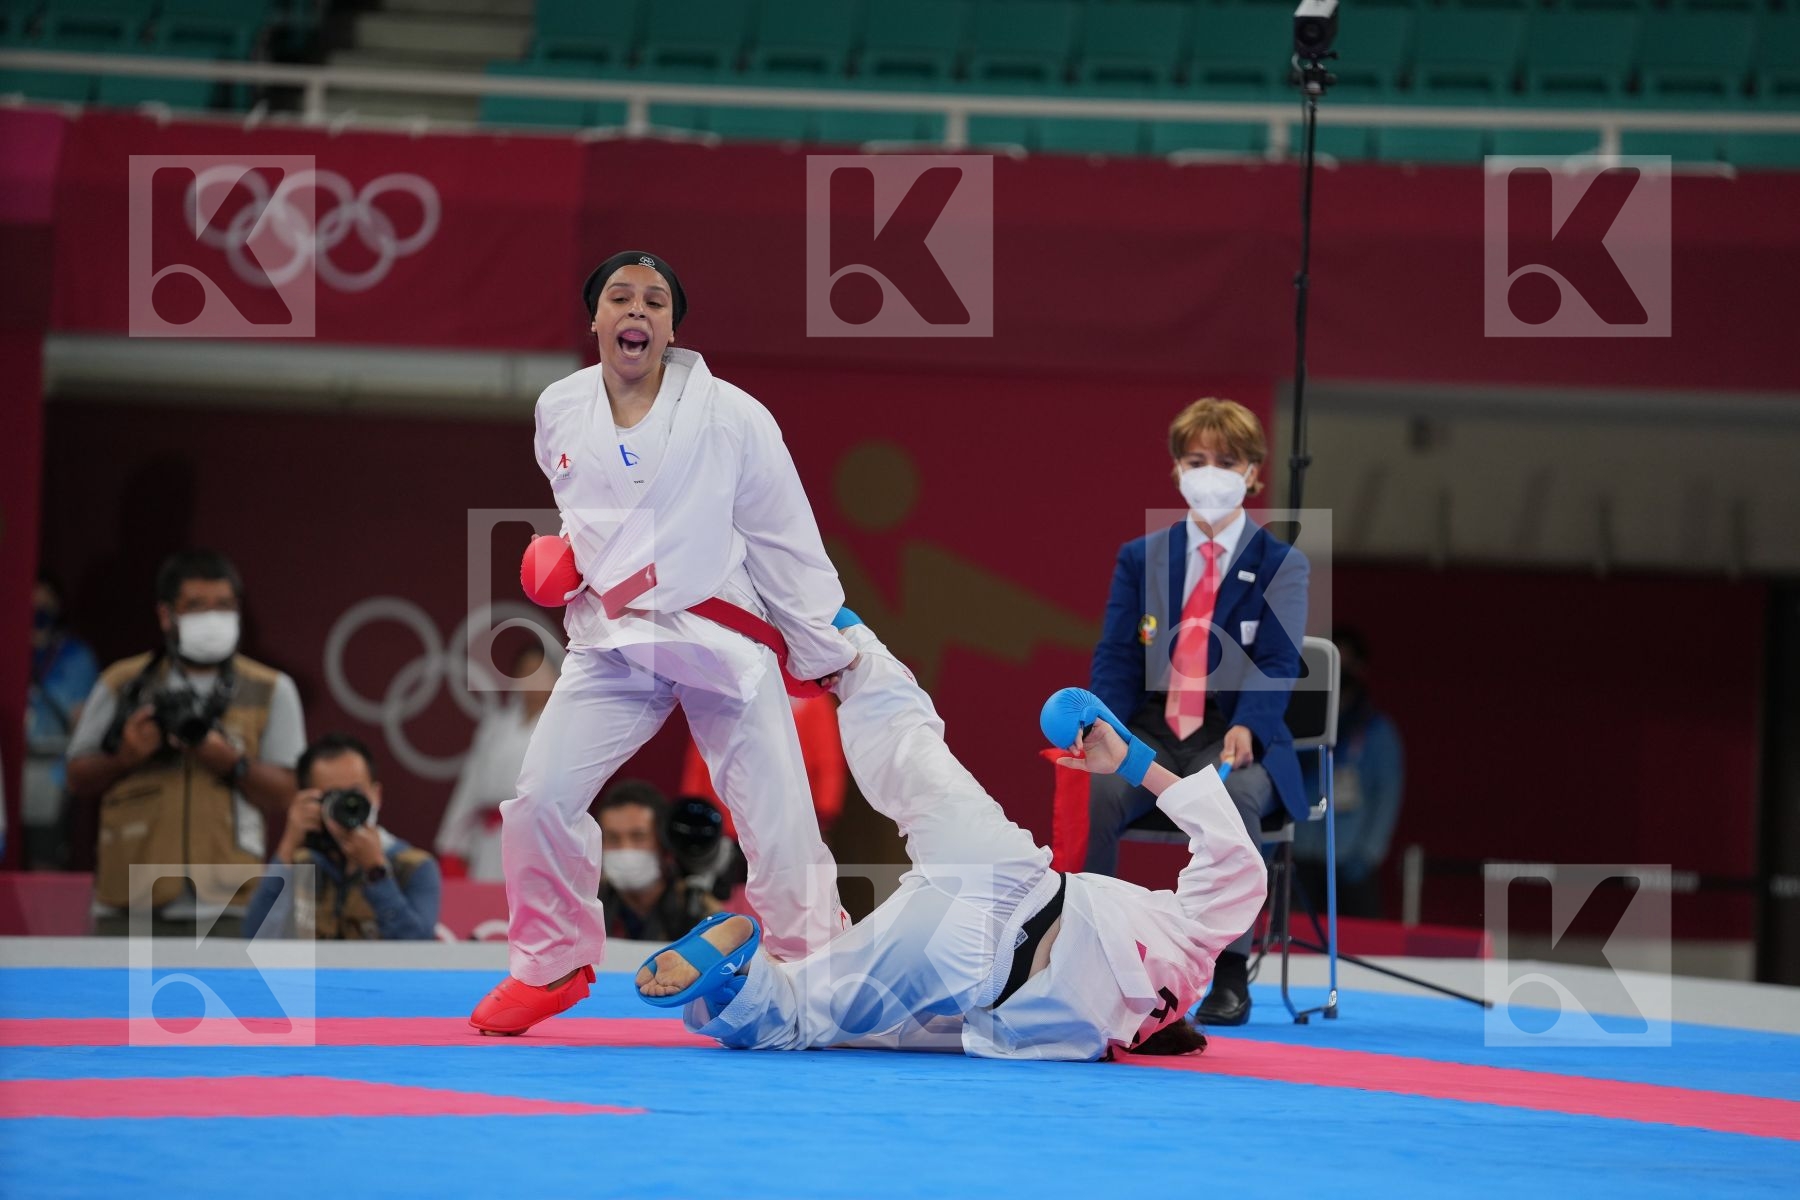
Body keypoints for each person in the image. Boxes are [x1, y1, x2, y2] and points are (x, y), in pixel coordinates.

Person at [469, 251, 854, 1035]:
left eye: (653, 300)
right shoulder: (559, 408)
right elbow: (582, 508)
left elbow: (784, 535)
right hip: (613, 642)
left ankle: (819, 971)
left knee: (779, 824)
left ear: (672, 326)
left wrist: (823, 642)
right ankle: (553, 962)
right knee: (539, 798)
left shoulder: (736, 415)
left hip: (717, 638)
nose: (635, 310)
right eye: (619, 297)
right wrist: (568, 558)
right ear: (596, 319)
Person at [634, 614, 1267, 1061]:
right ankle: (739, 983)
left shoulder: (1192, 947)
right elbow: (955, 1031)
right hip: (974, 965)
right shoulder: (1095, 1037)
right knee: (809, 1011)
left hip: (1012, 869)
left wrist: (1131, 760)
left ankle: (844, 637)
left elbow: (1232, 853)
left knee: (909, 747)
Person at [1082, 398, 1310, 1027]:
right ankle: (1087, 953)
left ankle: (1230, 975)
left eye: (1227, 461)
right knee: (1097, 794)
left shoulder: (1280, 564)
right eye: (1196, 460)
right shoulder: (1141, 557)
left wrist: (1250, 727)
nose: (1211, 472)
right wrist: (1107, 727)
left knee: (1233, 800)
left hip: (1233, 733)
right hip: (1152, 731)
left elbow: (1277, 660)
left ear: (1254, 473)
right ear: (1177, 470)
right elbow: (1117, 655)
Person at [64, 550, 305, 937]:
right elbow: (76, 776)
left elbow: (287, 793)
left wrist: (232, 763)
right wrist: (124, 758)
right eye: (196, 606)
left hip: (228, 898)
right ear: (166, 615)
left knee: (226, 999)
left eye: (224, 606)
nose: (212, 618)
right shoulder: (123, 681)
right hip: (130, 897)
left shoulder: (271, 688)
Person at [243, 733, 441, 940]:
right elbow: (255, 936)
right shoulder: (302, 862)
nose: (349, 805)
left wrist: (376, 873)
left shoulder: (413, 866)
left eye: (356, 794)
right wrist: (288, 844)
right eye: (334, 797)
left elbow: (419, 952)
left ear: (376, 795)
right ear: (309, 800)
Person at [1294, 627, 1404, 919]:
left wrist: (1368, 854)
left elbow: (1387, 795)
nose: (1340, 673)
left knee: (1358, 945)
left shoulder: (1376, 730)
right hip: (1300, 857)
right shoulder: (1300, 722)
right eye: (1334, 664)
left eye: (1347, 664)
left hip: (1350, 862)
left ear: (1360, 668)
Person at [435, 640, 559, 882]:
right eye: (526, 672)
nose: (533, 680)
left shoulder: (563, 727)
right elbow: (470, 786)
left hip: (539, 838)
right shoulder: (495, 727)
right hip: (490, 839)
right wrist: (453, 843)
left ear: (555, 679)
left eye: (541, 673)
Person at [24, 574, 99, 868]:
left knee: (44, 860)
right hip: (8, 769)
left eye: (46, 601)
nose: (39, 608)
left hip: (51, 773)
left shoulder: (75, 657)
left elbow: (85, 724)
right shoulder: (11, 649)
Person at [593, 779, 722, 943]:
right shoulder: (587, 908)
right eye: (612, 838)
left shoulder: (698, 908)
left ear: (663, 840)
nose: (625, 848)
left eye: (638, 836)